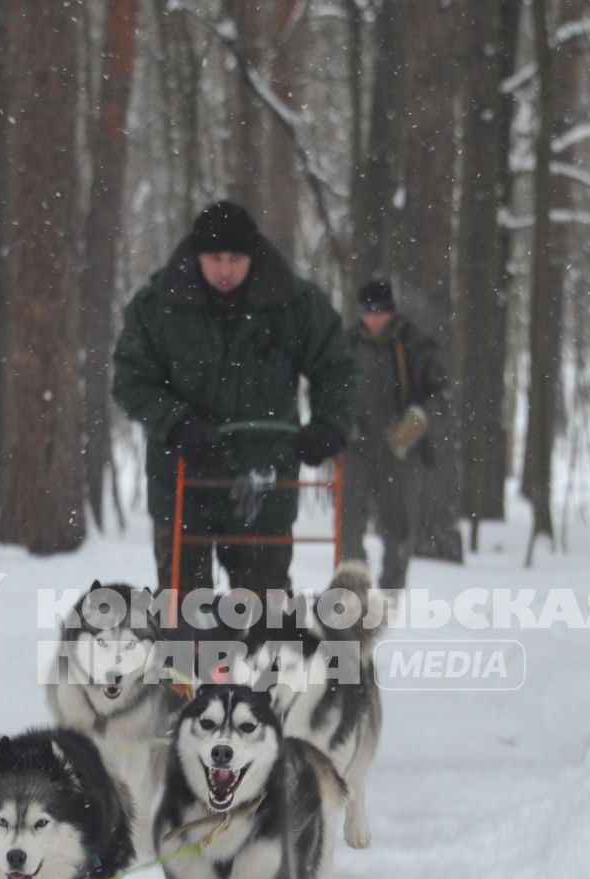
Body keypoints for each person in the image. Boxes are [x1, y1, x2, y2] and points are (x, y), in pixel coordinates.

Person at [113, 200, 356, 600]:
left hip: (266, 480)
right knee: (186, 613)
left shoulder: (296, 304)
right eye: (215, 258)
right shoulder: (157, 306)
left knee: (265, 613)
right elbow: (130, 381)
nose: (225, 270)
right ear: (196, 255)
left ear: (253, 255)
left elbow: (338, 367)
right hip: (182, 478)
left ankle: (260, 661)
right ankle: (188, 662)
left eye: (236, 258)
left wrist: (330, 423)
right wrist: (176, 422)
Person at [343, 277, 445, 591]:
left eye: (380, 312)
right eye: (368, 312)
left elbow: (441, 394)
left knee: (398, 530)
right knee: (349, 528)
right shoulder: (345, 344)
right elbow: (326, 388)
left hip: (399, 451)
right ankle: (353, 594)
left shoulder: (413, 344)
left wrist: (418, 421)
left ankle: (390, 596)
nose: (374, 319)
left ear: (391, 311)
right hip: (356, 449)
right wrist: (340, 418)